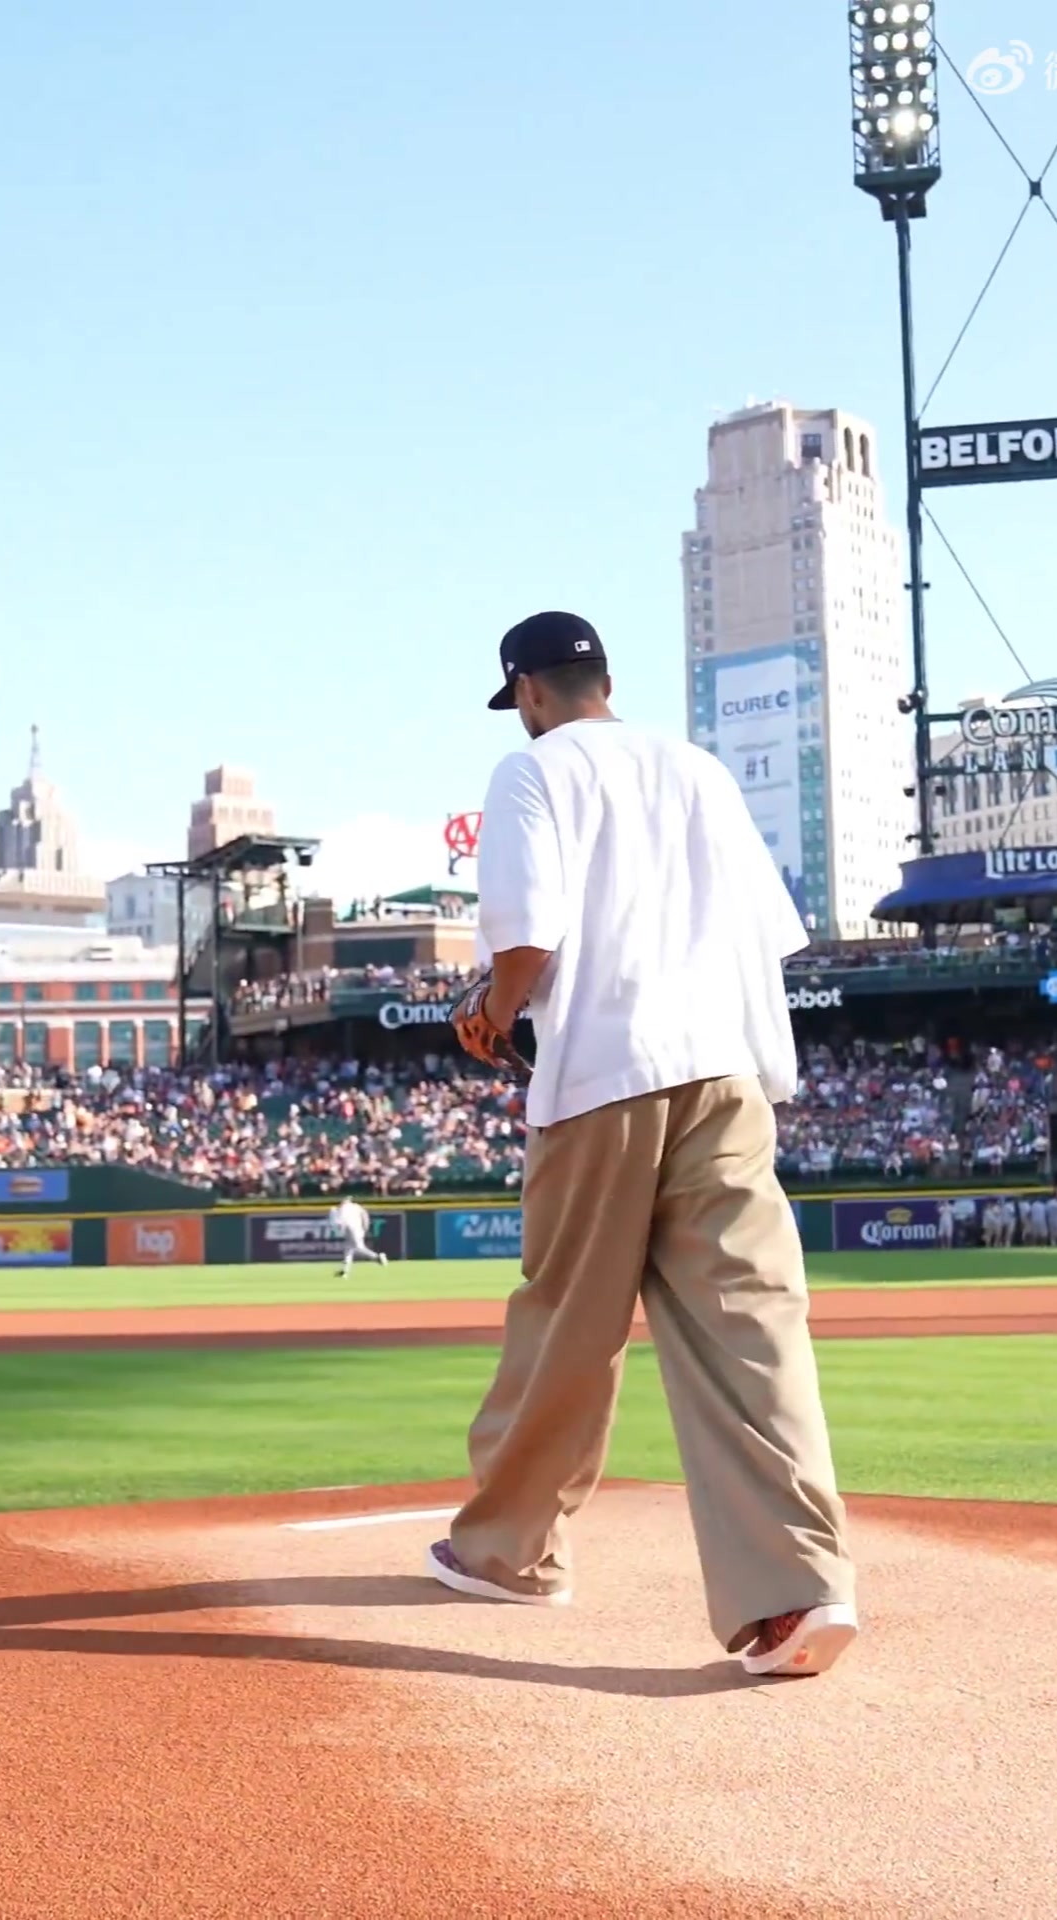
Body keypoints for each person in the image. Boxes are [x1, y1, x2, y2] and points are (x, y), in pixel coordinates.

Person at [427, 610, 857, 1682]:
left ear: (528, 690)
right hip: (725, 1072)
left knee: (570, 1321)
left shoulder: (534, 771)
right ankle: (797, 1592)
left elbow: (528, 930)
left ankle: (510, 1553)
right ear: (604, 679)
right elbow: (767, 932)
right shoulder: (699, 768)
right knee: (752, 1327)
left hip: (605, 1077)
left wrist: (491, 1007)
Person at [331, 1195, 388, 1276]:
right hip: (358, 1229)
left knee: (359, 1248)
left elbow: (341, 1222)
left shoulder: (343, 1208)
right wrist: (365, 1227)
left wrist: (340, 1230)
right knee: (348, 1249)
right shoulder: (356, 1206)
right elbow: (365, 1215)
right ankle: (345, 1270)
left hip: (351, 1229)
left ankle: (377, 1257)